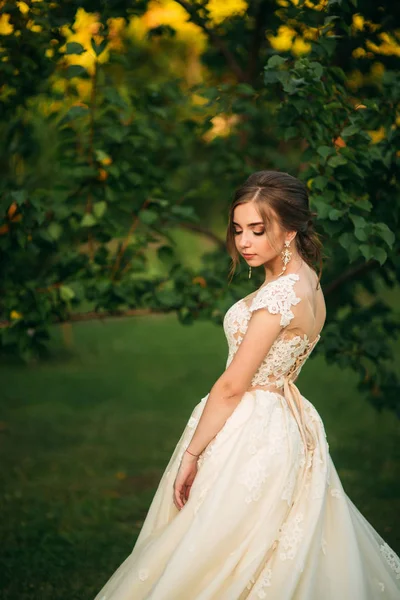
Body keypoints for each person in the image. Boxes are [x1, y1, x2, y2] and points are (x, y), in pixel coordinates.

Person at [94, 171, 400, 599]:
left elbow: (232, 385)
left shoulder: (279, 296)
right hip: (287, 422)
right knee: (269, 544)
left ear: (290, 229)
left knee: (218, 545)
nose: (244, 241)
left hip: (251, 430)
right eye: (238, 230)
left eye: (258, 230)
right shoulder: (309, 282)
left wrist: (192, 453)